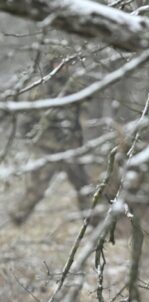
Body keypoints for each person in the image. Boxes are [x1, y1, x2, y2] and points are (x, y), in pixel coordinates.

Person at [10, 61, 91, 225]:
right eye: (58, 64)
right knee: (37, 187)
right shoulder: (41, 87)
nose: (62, 67)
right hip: (47, 147)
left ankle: (92, 219)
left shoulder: (72, 85)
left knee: (82, 184)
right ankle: (18, 216)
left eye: (66, 64)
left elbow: (86, 101)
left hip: (70, 146)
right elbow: (27, 118)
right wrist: (35, 140)